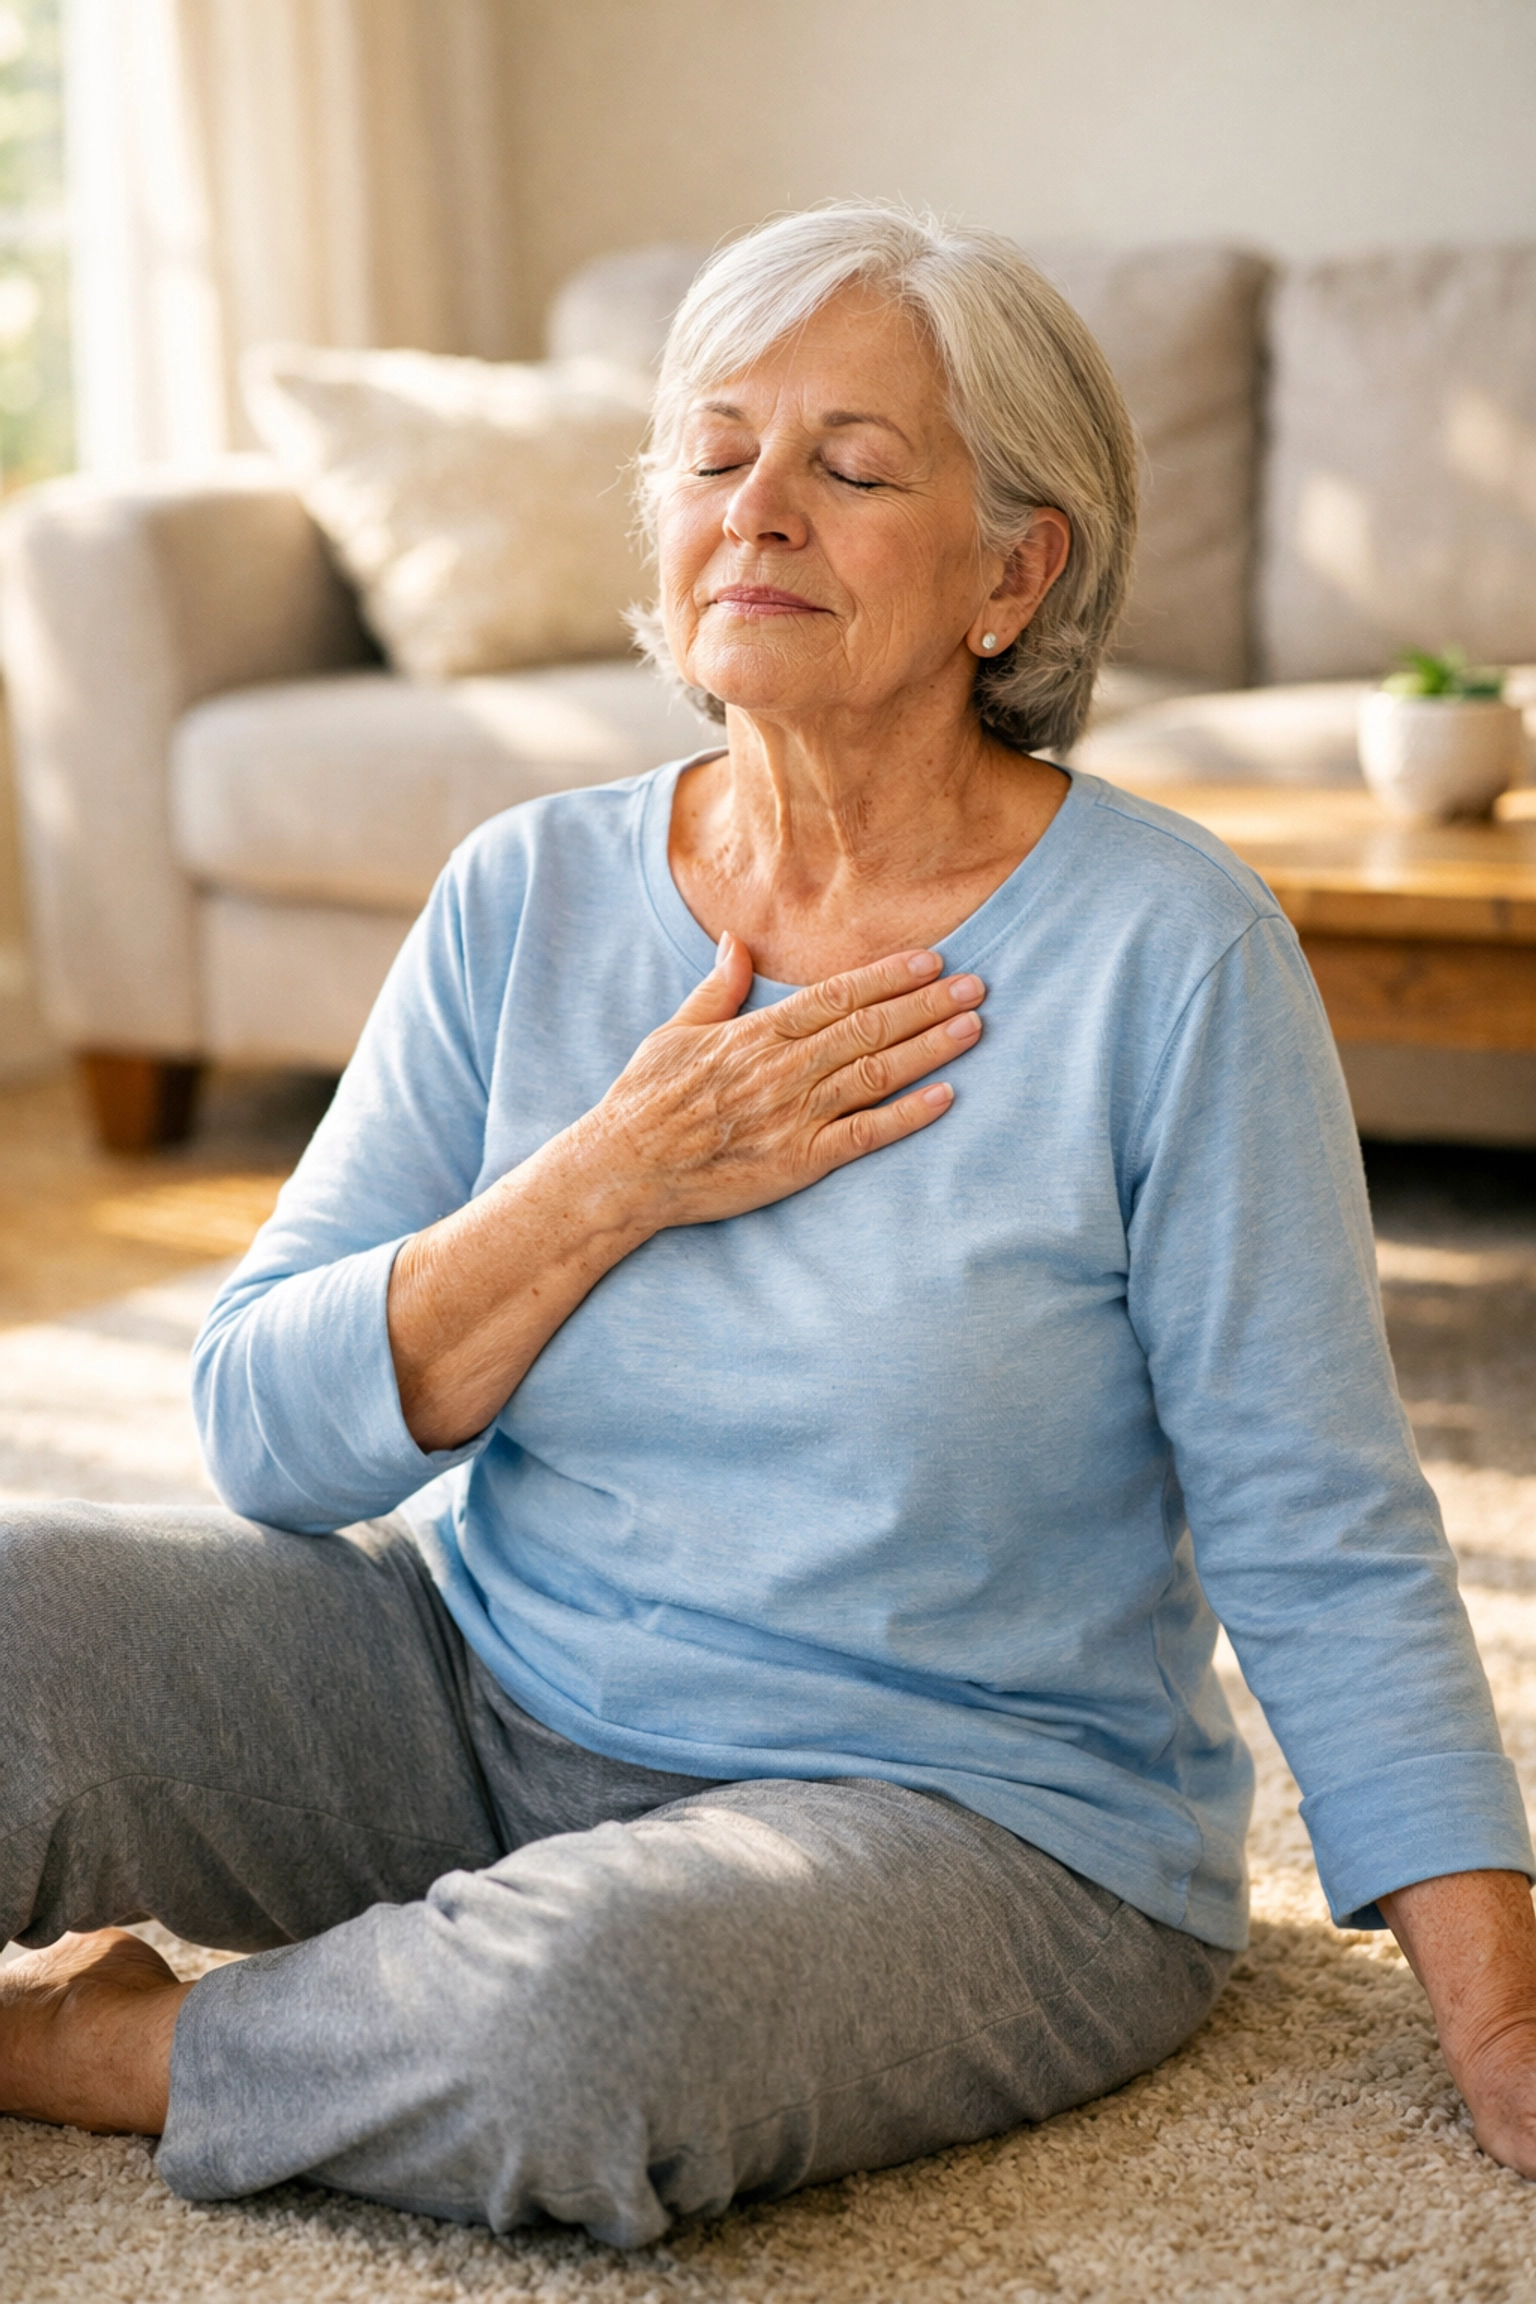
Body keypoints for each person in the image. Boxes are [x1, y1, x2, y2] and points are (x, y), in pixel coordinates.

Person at [3, 202, 1536, 2247]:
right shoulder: (524, 891)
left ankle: (117, 2053)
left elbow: (1314, 1516)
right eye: (716, 454)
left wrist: (1503, 2009)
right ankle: (407, 1988)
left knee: (583, 2015)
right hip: (483, 1692)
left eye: (854, 465)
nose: (760, 512)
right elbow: (266, 1434)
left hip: (969, 1823)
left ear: (1017, 570)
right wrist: (614, 1174)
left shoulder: (1171, 956)